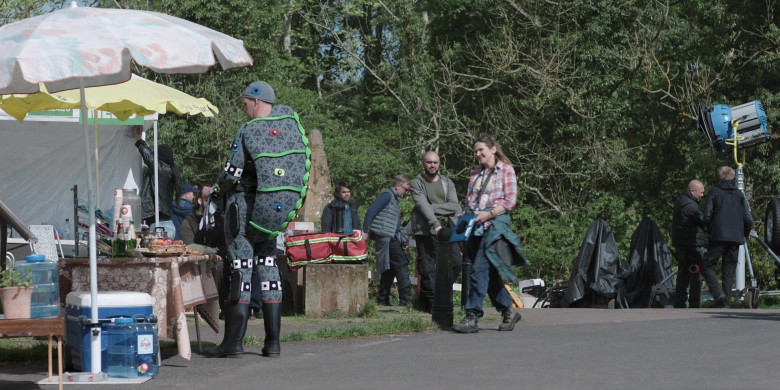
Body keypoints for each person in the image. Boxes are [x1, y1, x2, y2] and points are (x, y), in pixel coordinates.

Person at [204, 81, 307, 358]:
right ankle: (273, 343)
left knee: (241, 268)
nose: (244, 108)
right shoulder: (287, 130)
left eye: (245, 102)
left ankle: (233, 343)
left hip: (245, 210)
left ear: (256, 101)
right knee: (269, 267)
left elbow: (232, 172)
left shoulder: (248, 130)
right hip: (271, 213)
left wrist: (213, 190)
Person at [453, 134, 528, 334]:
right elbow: (470, 202)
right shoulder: (475, 174)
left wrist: (489, 214)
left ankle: (472, 316)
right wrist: (464, 216)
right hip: (475, 227)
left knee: (478, 270)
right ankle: (508, 311)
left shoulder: (506, 171)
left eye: (481, 150)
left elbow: (510, 201)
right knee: (490, 275)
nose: (478, 154)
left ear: (493, 149)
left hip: (494, 227)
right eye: (476, 151)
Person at [409, 151, 462, 312]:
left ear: (440, 163)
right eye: (429, 162)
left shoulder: (447, 182)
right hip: (425, 229)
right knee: (426, 267)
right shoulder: (417, 182)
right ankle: (432, 304)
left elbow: (455, 205)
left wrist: (432, 208)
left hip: (446, 229)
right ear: (423, 163)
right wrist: (434, 220)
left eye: (436, 162)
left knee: (457, 263)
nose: (433, 165)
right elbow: (422, 207)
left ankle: (441, 292)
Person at [701, 166, 753, 308]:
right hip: (735, 238)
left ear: (720, 177)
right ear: (732, 177)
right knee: (729, 271)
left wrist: (709, 229)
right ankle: (725, 303)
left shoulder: (714, 192)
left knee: (706, 265)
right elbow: (748, 219)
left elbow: (707, 215)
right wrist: (745, 233)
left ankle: (719, 296)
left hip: (718, 235)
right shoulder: (739, 195)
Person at [363, 175, 413, 306]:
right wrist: (365, 230)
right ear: (398, 186)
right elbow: (371, 211)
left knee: (388, 269)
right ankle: (405, 301)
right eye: (406, 189)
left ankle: (383, 299)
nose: (406, 192)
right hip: (387, 237)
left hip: (388, 236)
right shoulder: (387, 195)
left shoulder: (393, 198)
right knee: (402, 266)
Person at [133, 126, 181, 237]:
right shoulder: (169, 171)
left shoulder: (160, 169)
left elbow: (148, 157)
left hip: (158, 225)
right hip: (165, 223)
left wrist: (138, 138)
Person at [672, 180, 707, 308]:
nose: (703, 195)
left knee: (683, 274)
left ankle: (680, 303)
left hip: (683, 245)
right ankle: (694, 304)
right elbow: (702, 220)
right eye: (701, 192)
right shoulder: (690, 206)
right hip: (690, 246)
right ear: (693, 191)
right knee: (695, 275)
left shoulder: (683, 201)